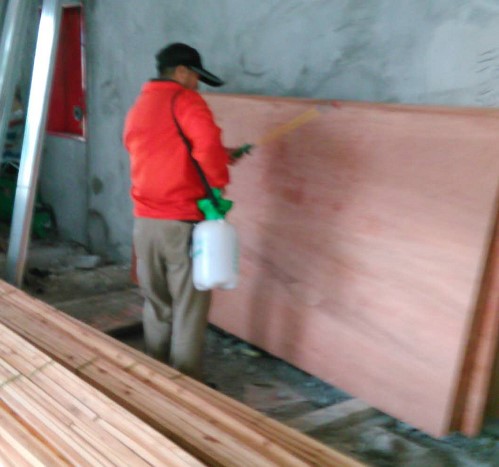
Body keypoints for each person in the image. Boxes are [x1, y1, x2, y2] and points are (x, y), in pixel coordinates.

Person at [123, 42, 235, 381]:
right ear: (182, 71)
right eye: (195, 77)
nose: (197, 85)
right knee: (188, 308)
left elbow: (162, 151)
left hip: (145, 223)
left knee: (157, 303)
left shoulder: (139, 106)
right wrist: (218, 182)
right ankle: (184, 386)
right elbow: (207, 147)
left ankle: (155, 377)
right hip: (181, 223)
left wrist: (221, 155)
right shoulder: (185, 100)